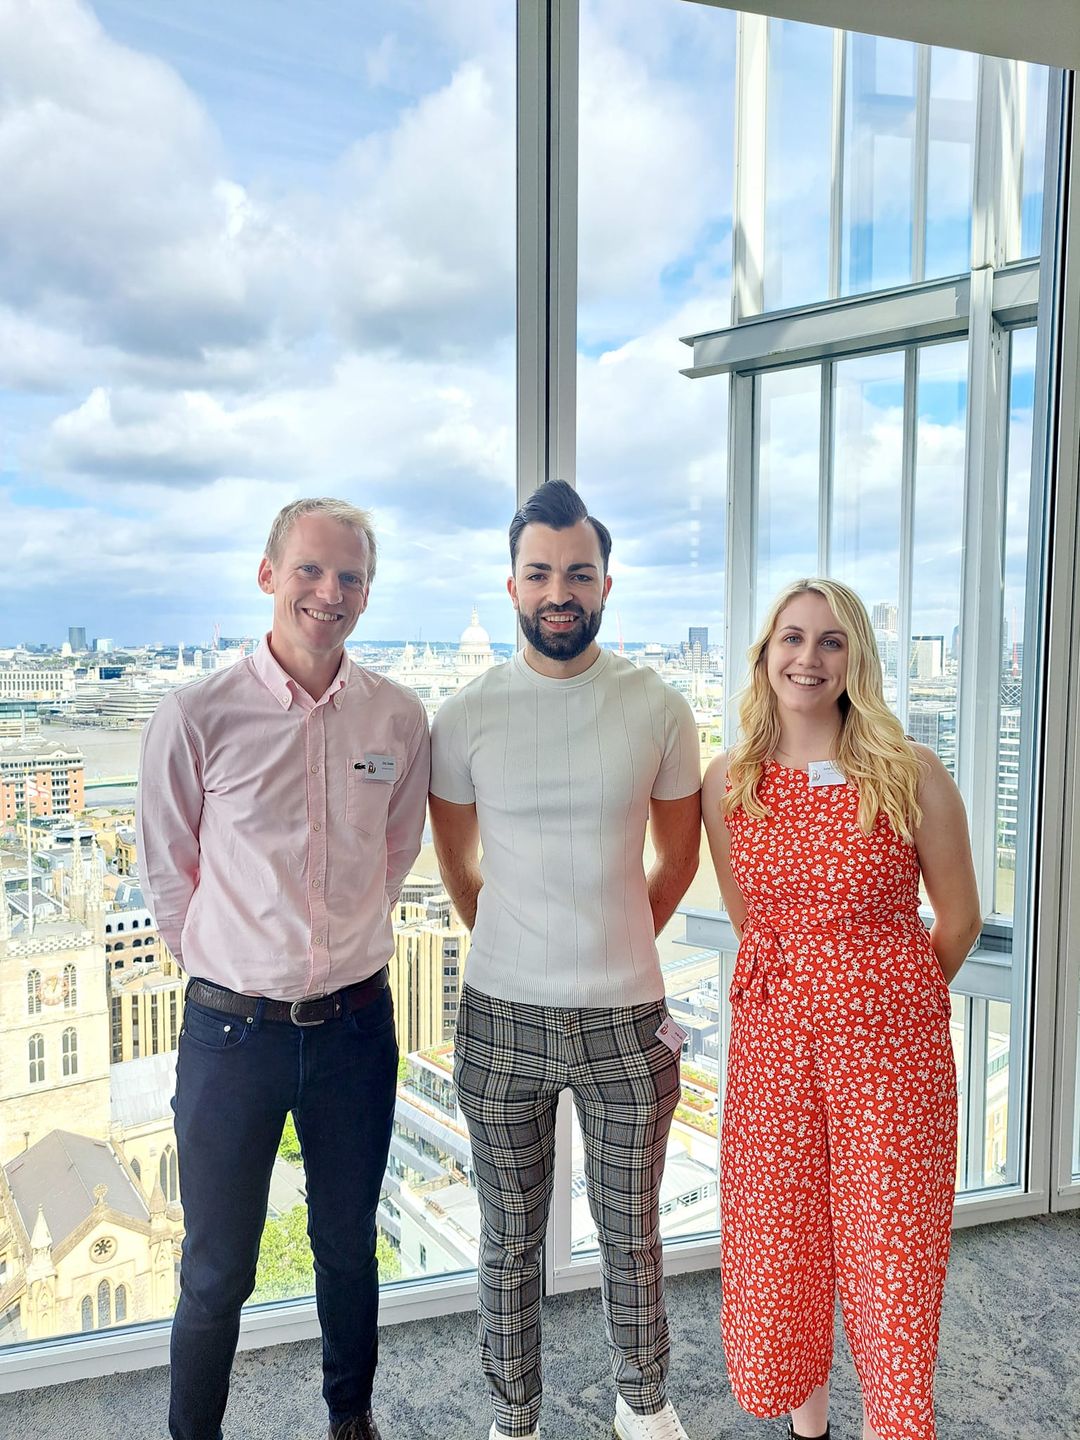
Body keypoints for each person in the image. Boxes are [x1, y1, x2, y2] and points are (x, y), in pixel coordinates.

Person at [136, 498, 430, 1440]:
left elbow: (395, 853)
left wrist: (333, 951)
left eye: (349, 577)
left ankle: (351, 1416)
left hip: (354, 1028)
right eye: (310, 570)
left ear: (367, 594)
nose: (328, 592)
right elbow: (168, 870)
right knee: (217, 1263)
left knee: (348, 1246)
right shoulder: (196, 715)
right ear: (269, 576)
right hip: (231, 1034)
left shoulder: (398, 715)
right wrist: (236, 966)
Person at [429, 480, 702, 1440]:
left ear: (606, 584)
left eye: (577, 573)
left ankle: (644, 1402)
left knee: (633, 1234)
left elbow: (678, 859)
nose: (560, 590)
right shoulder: (465, 716)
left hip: (631, 1018)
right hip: (499, 1017)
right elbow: (458, 863)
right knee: (507, 1244)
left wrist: (620, 932)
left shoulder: (657, 706)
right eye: (540, 572)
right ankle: (515, 1418)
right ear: (511, 586)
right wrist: (508, 936)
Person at [702, 578, 981, 1440]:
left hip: (891, 1062)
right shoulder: (730, 781)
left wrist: (884, 999)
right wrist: (814, 993)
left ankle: (892, 1425)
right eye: (792, 638)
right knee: (782, 1244)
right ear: (764, 656)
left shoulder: (909, 771)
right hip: (773, 1053)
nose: (808, 657)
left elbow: (961, 918)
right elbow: (757, 922)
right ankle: (806, 1426)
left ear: (857, 657)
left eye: (830, 641)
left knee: (892, 1255)